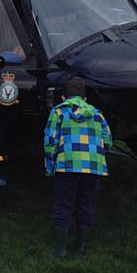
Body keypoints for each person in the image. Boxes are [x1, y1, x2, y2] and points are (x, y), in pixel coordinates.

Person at [43, 78, 112, 257]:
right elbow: (108, 141)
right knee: (86, 204)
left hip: (67, 165)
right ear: (85, 98)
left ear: (64, 96)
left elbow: (50, 142)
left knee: (64, 204)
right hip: (94, 167)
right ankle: (80, 248)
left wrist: (50, 166)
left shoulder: (58, 112)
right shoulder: (97, 114)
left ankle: (59, 249)